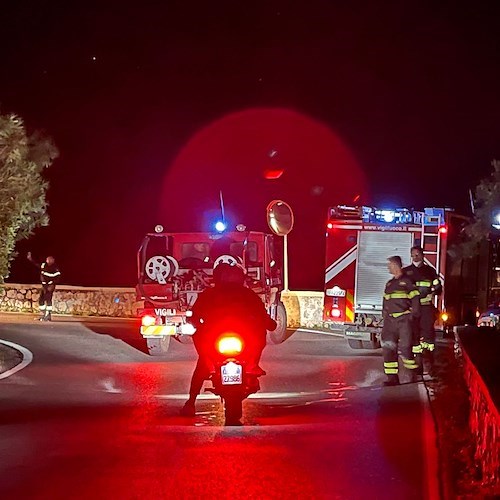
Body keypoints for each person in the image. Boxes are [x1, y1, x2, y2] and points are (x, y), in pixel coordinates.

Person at [181, 262, 277, 416]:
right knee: (203, 363)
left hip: (243, 340)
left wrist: (267, 323)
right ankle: (191, 402)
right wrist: (196, 323)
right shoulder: (238, 294)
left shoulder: (243, 295)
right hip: (215, 341)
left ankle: (191, 402)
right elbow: (195, 316)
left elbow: (262, 317)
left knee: (202, 365)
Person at [381, 256, 421, 386]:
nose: (388, 267)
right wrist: (384, 317)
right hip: (390, 322)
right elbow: (385, 302)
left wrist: (412, 316)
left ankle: (412, 374)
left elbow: (416, 301)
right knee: (388, 348)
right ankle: (392, 378)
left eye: (390, 265)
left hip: (404, 321)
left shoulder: (408, 282)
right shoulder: (389, 284)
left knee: (405, 348)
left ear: (395, 265)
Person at [403, 246, 442, 368]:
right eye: (413, 255)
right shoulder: (406, 272)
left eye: (417, 255)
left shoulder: (430, 271)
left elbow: (438, 287)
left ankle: (429, 360)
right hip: (412, 309)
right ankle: (416, 361)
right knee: (413, 334)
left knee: (428, 334)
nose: (415, 257)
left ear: (422, 255)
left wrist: (434, 291)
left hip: (426, 308)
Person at [27, 252, 61, 321]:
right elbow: (36, 264)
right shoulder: (43, 265)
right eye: (47, 259)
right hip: (44, 285)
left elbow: (57, 277)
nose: (48, 260)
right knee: (41, 300)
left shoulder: (55, 268)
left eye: (50, 259)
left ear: (53, 261)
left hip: (50, 286)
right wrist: (30, 259)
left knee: (48, 300)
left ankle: (48, 315)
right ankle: (44, 314)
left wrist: (52, 284)